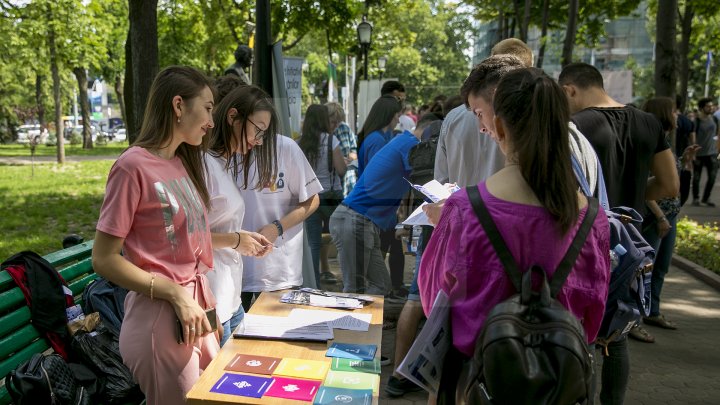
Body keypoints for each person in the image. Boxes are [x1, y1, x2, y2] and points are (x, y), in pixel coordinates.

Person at [418, 67, 610, 381]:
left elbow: (434, 303)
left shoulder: (465, 210)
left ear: (500, 127)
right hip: (558, 383)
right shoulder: (591, 218)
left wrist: (445, 227)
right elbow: (592, 316)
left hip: (483, 381)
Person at [92, 66, 219, 404]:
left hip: (195, 314)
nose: (211, 121)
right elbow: (103, 258)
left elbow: (187, 242)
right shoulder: (132, 166)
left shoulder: (181, 162)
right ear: (178, 105)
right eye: (207, 108)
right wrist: (175, 294)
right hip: (160, 321)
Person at [560, 62, 679, 405]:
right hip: (630, 245)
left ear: (570, 89)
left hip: (585, 239)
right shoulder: (648, 122)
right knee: (617, 335)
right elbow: (670, 184)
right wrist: (635, 194)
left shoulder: (573, 127)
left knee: (581, 331)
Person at [205, 84, 279, 345]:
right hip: (211, 301)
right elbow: (188, 237)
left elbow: (217, 227)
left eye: (263, 134)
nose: (258, 141)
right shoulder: (204, 164)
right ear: (233, 116)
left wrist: (242, 239)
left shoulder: (222, 164)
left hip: (229, 298)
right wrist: (237, 240)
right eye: (258, 129)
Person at [329, 115, 423, 296]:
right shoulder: (410, 145)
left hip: (362, 222)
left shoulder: (403, 141)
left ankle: (364, 321)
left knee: (381, 286)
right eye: (395, 114)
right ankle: (348, 323)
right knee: (354, 289)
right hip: (356, 220)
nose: (396, 119)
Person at [638, 97, 700, 341]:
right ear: (663, 114)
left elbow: (671, 181)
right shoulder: (649, 143)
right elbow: (642, 186)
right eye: (673, 111)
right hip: (656, 218)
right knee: (645, 268)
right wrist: (660, 217)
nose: (677, 115)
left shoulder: (665, 141)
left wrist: (684, 161)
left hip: (669, 215)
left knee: (661, 267)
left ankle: (653, 311)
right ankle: (635, 319)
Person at [298, 104, 347, 288]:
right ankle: (347, 281)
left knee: (313, 243)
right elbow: (341, 169)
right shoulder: (331, 140)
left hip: (309, 197)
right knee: (341, 240)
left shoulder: (299, 143)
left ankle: (313, 285)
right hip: (331, 197)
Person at [691, 97, 720, 207]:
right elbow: (692, 137)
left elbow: (718, 135)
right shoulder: (696, 121)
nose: (711, 108)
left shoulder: (715, 120)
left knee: (712, 177)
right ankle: (696, 198)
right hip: (699, 154)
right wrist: (693, 153)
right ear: (702, 108)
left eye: (712, 106)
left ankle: (706, 198)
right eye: (708, 106)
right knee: (696, 178)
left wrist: (718, 151)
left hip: (712, 154)